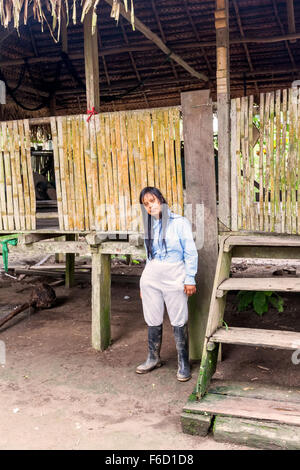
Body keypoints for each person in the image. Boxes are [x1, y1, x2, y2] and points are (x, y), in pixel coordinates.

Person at [136, 186, 198, 382]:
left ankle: (183, 363)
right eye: (146, 204)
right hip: (152, 276)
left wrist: (190, 278)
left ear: (161, 200)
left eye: (152, 201)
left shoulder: (180, 223)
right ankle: (153, 358)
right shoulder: (149, 225)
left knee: (178, 318)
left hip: (174, 274)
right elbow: (149, 256)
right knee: (152, 317)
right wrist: (142, 283)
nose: (150, 206)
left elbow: (190, 252)